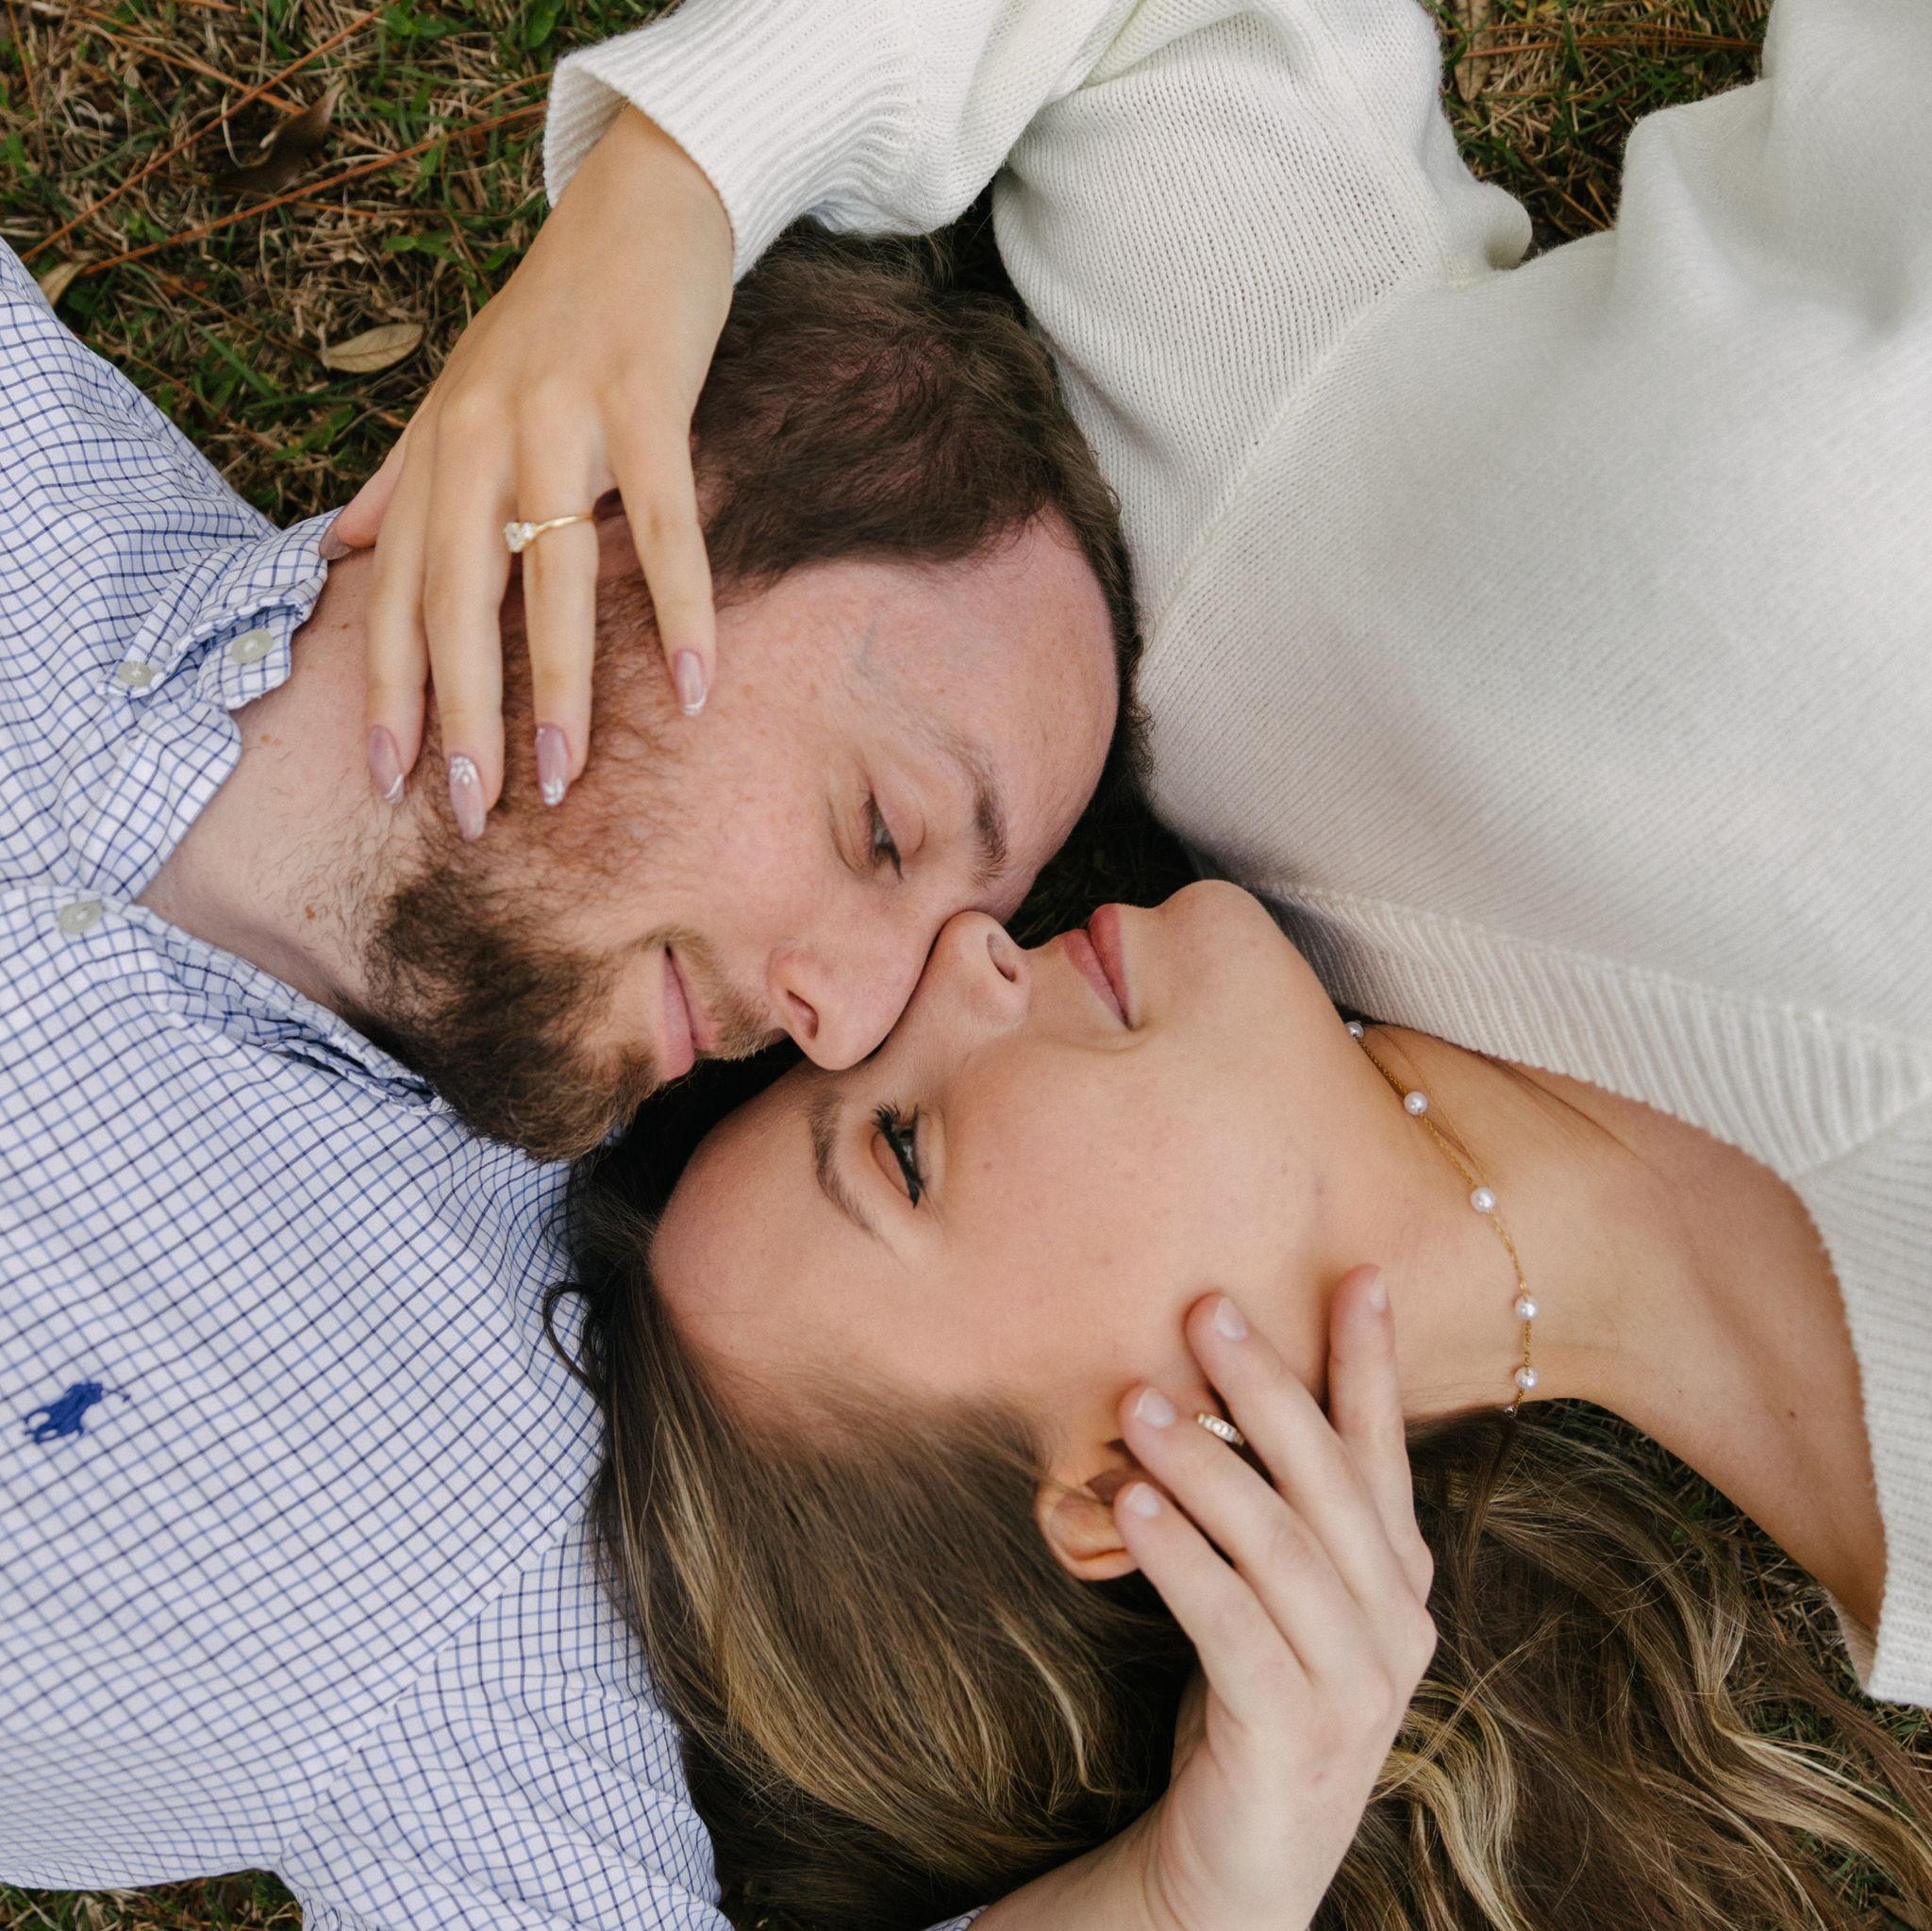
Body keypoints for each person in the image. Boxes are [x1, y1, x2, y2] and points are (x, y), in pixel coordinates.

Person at [0, 227, 1141, 1927]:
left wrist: (1205, 1883)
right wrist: (667, 181)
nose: (842, 1028)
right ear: (601, 485)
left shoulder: (444, 1545)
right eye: (881, 830)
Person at [566, 882, 1932, 1929]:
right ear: (1126, 1492)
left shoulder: (1252, 670)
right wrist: (1181, 1907)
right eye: (903, 1152)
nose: (966, 953)